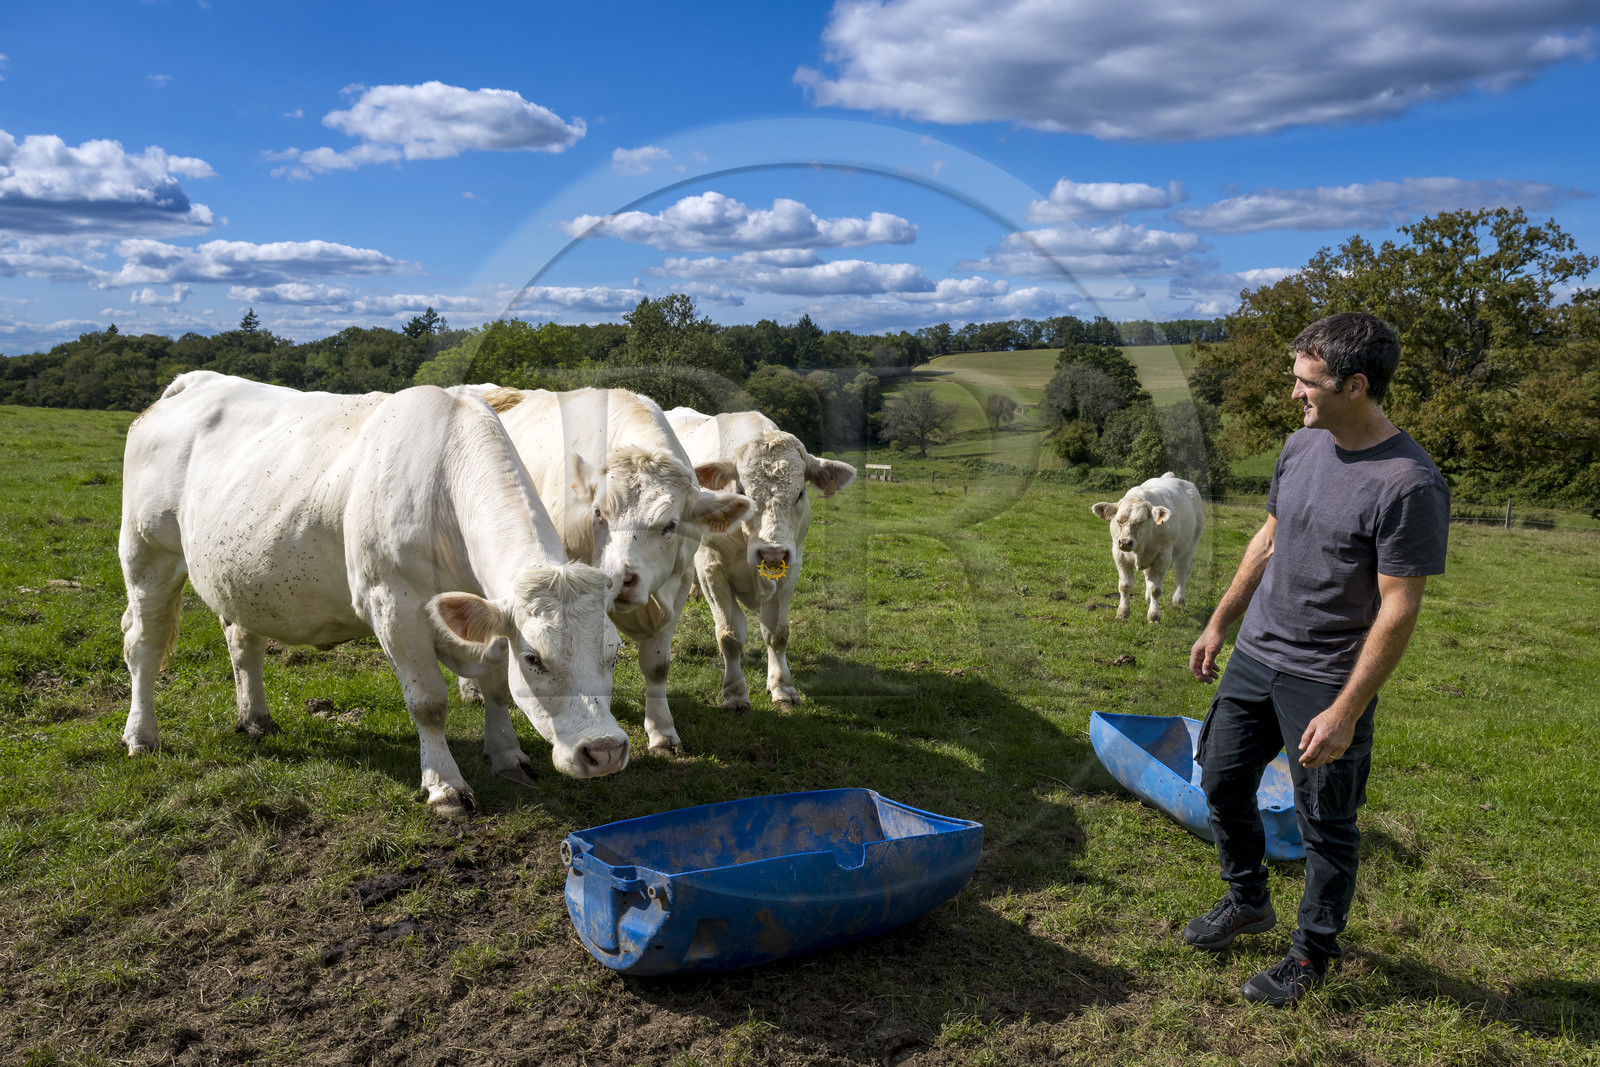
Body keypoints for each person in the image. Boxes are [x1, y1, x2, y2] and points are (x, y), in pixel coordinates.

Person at [1185, 312, 1450, 1006]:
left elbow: (1398, 607)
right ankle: (1248, 900)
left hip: (1326, 678)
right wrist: (1220, 622)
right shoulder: (1300, 447)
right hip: (1257, 653)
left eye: (1307, 382)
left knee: (1325, 823)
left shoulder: (1409, 482)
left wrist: (1345, 708)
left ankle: (1310, 955)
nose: (1294, 394)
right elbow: (1268, 538)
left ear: (1355, 385)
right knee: (1219, 778)